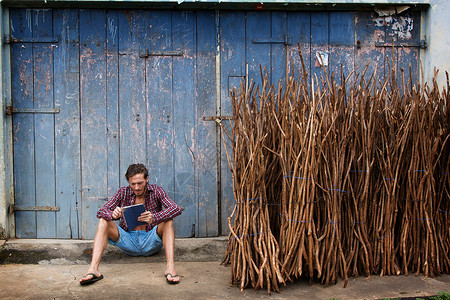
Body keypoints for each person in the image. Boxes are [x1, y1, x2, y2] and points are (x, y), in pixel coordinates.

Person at [80, 163, 182, 285]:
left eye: (140, 183)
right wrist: (113, 214)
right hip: (128, 241)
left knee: (168, 221)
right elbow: (101, 211)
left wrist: (154, 217)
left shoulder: (156, 190)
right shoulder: (122, 192)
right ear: (129, 181)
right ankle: (93, 270)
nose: (137, 187)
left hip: (150, 241)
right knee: (103, 220)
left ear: (147, 179)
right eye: (133, 184)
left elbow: (176, 208)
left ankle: (170, 268)